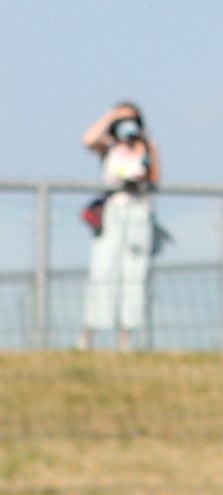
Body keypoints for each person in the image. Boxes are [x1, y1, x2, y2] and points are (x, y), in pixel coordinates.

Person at [79, 102, 160, 349]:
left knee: (133, 275)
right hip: (113, 213)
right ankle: (88, 335)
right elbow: (88, 140)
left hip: (138, 213)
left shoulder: (147, 147)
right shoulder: (109, 147)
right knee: (102, 271)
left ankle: (126, 340)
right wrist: (113, 116)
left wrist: (146, 149)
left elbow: (155, 178)